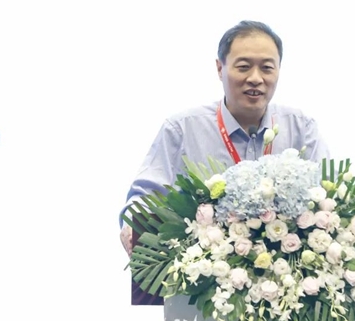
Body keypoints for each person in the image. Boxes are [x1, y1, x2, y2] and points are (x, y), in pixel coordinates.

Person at [119, 20, 331, 256]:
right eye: (243, 67)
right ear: (220, 68)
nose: (255, 78)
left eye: (267, 68)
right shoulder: (182, 129)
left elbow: (331, 197)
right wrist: (133, 226)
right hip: (203, 270)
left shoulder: (301, 127)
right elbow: (145, 197)